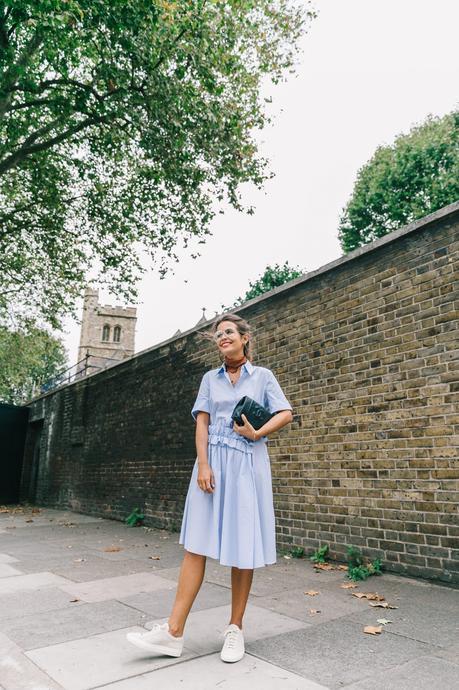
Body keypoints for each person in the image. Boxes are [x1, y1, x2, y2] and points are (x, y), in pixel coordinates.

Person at [127, 313, 293, 662]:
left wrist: (258, 432)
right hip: (212, 466)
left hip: (247, 464)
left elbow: (285, 412)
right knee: (195, 545)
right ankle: (173, 633)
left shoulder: (263, 377)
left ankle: (235, 629)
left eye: (229, 332)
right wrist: (203, 464)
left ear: (245, 338)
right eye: (218, 335)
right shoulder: (208, 379)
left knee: (242, 546)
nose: (222, 338)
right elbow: (201, 425)